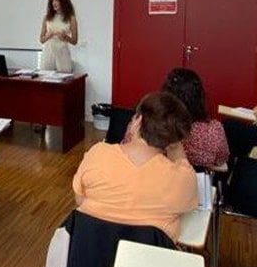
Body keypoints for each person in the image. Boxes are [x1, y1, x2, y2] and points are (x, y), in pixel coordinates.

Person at [73, 92, 197, 241]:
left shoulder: (97, 154)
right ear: (175, 139)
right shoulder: (182, 179)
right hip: (147, 259)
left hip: (89, 255)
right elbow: (187, 208)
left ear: (137, 121)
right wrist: (176, 148)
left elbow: (80, 199)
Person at [161, 68, 229, 169]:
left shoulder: (152, 125)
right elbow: (221, 160)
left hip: (159, 179)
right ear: (199, 96)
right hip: (200, 181)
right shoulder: (214, 129)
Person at [39, 0, 78, 73]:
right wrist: (48, 36)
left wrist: (65, 37)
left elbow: (74, 41)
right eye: (52, 1)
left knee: (64, 80)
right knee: (45, 78)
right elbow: (41, 40)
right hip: (48, 52)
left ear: (63, 1)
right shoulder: (47, 18)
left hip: (62, 52)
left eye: (56, 0)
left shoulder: (71, 18)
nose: (54, 3)